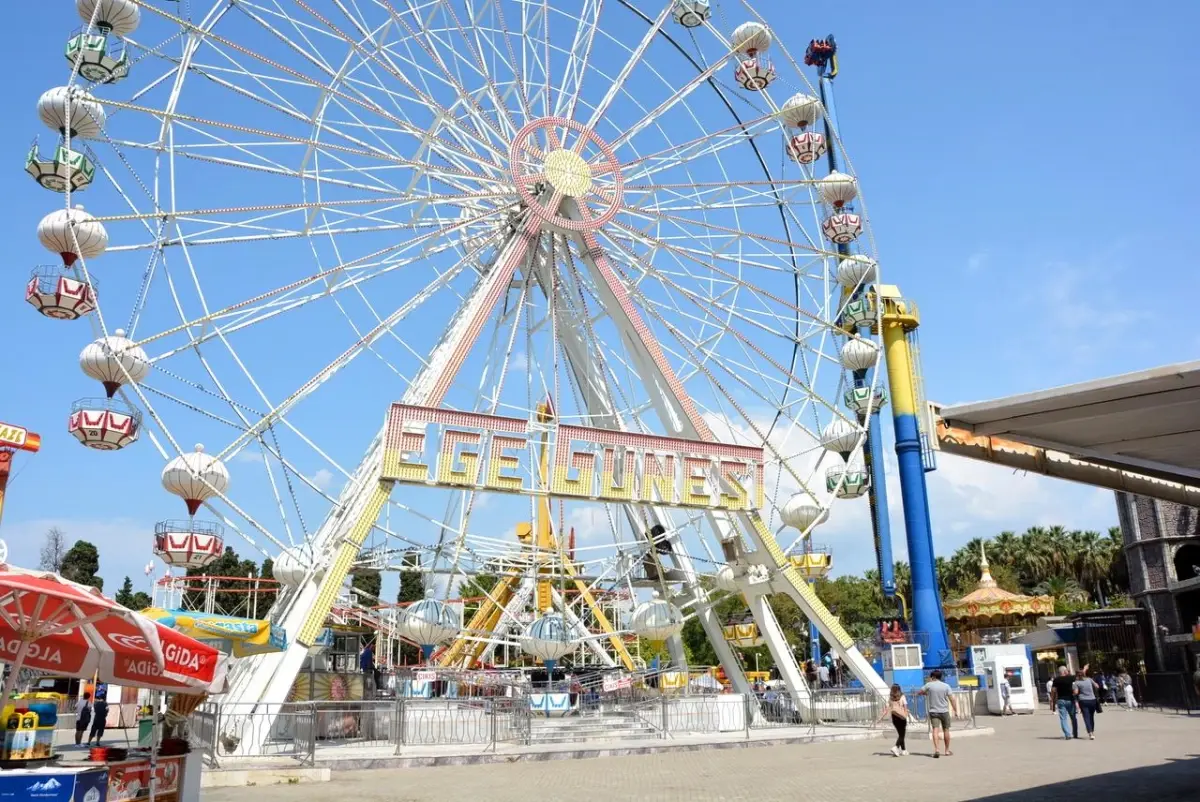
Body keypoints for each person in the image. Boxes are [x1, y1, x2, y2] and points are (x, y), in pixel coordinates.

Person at [917, 669, 957, 758]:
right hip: (944, 711)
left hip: (933, 711)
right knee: (946, 730)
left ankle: (937, 749)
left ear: (933, 677)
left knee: (935, 730)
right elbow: (952, 699)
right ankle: (946, 751)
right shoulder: (946, 686)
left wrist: (925, 693)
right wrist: (955, 709)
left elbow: (920, 692)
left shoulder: (929, 685)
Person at [876, 684, 910, 757]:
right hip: (901, 717)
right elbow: (905, 707)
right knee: (902, 734)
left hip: (894, 717)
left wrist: (880, 718)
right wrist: (906, 715)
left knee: (900, 734)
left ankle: (904, 750)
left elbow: (886, 709)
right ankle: (896, 747)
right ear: (899, 689)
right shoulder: (902, 696)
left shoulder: (890, 698)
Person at [1049, 666, 1078, 740]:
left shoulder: (1056, 680)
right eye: (1067, 671)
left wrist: (1052, 699)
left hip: (1061, 700)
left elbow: (1053, 690)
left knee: (1063, 718)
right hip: (1070, 699)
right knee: (1073, 717)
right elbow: (1079, 676)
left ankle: (1067, 734)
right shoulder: (1070, 678)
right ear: (1065, 671)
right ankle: (1075, 733)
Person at [1074, 670, 1100, 740]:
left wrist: (1074, 692)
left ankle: (1090, 733)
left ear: (1077, 675)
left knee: (1086, 717)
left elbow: (1076, 692)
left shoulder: (1076, 683)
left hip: (1083, 701)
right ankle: (1092, 731)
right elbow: (1097, 686)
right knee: (1091, 717)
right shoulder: (1089, 679)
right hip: (1092, 700)